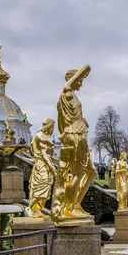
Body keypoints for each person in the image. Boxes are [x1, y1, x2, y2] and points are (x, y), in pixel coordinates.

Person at [50, 65, 95, 223]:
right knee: (78, 173)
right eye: (79, 80)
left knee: (92, 171)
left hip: (80, 134)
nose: (81, 83)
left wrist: (83, 122)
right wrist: (85, 70)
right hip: (74, 135)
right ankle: (69, 208)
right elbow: (74, 79)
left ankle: (75, 204)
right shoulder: (67, 92)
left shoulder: (73, 96)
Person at [26, 119, 57, 218]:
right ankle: (30, 207)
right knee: (41, 188)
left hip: (47, 165)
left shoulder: (47, 137)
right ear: (48, 126)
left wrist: (51, 166)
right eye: (52, 127)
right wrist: (52, 167)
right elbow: (44, 154)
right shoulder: (40, 137)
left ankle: (38, 210)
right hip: (42, 165)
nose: (53, 129)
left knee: (47, 189)